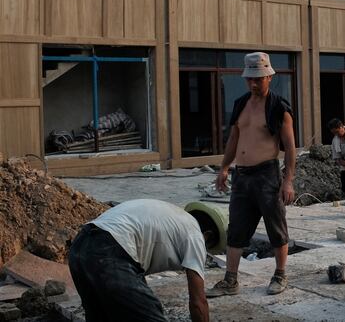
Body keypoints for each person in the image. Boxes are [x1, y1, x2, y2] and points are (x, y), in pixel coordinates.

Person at [208, 52, 296, 297]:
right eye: (250, 79)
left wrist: (288, 181)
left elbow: (290, 147)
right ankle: (230, 280)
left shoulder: (279, 107)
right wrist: (224, 168)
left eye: (258, 79)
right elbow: (234, 139)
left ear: (269, 76)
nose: (254, 83)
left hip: (267, 175)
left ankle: (280, 274)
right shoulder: (240, 104)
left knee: (276, 228)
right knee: (236, 229)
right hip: (242, 176)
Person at [68, 199, 219, 322]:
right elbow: (198, 303)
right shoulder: (195, 235)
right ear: (207, 235)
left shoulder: (174, 219)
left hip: (80, 247)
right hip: (110, 251)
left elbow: (134, 278)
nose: (203, 254)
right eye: (207, 248)